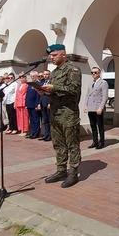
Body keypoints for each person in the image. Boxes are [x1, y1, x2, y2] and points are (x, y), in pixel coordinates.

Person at [42, 44, 83, 188]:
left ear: (63, 55)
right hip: (55, 113)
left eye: (54, 55)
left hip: (68, 113)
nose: (51, 58)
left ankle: (73, 172)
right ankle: (61, 170)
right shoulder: (53, 73)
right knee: (58, 144)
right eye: (51, 56)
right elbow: (54, 90)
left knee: (72, 144)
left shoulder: (73, 69)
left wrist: (54, 88)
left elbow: (74, 89)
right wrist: (45, 91)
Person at [85, 67, 109, 149]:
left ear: (99, 73)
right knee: (93, 126)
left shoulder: (103, 83)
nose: (93, 74)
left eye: (95, 72)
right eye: (92, 72)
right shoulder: (90, 83)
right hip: (91, 107)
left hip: (98, 108)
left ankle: (101, 142)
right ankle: (95, 142)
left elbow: (105, 96)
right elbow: (87, 95)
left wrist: (101, 108)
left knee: (100, 126)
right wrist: (86, 106)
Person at [26, 71, 42, 139]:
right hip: (29, 104)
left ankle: (36, 133)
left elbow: (39, 95)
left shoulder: (38, 84)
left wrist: (38, 104)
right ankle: (32, 132)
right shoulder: (30, 84)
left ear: (36, 76)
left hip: (35, 104)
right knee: (31, 120)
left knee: (36, 120)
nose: (32, 77)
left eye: (33, 76)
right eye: (31, 76)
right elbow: (28, 95)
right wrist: (26, 103)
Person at [39, 70, 52, 141]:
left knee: (50, 120)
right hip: (42, 102)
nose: (45, 75)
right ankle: (46, 134)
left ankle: (50, 135)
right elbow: (41, 94)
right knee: (45, 120)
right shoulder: (42, 82)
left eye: (47, 74)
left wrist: (50, 103)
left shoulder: (51, 82)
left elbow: (52, 94)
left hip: (48, 103)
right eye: (44, 74)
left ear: (49, 75)